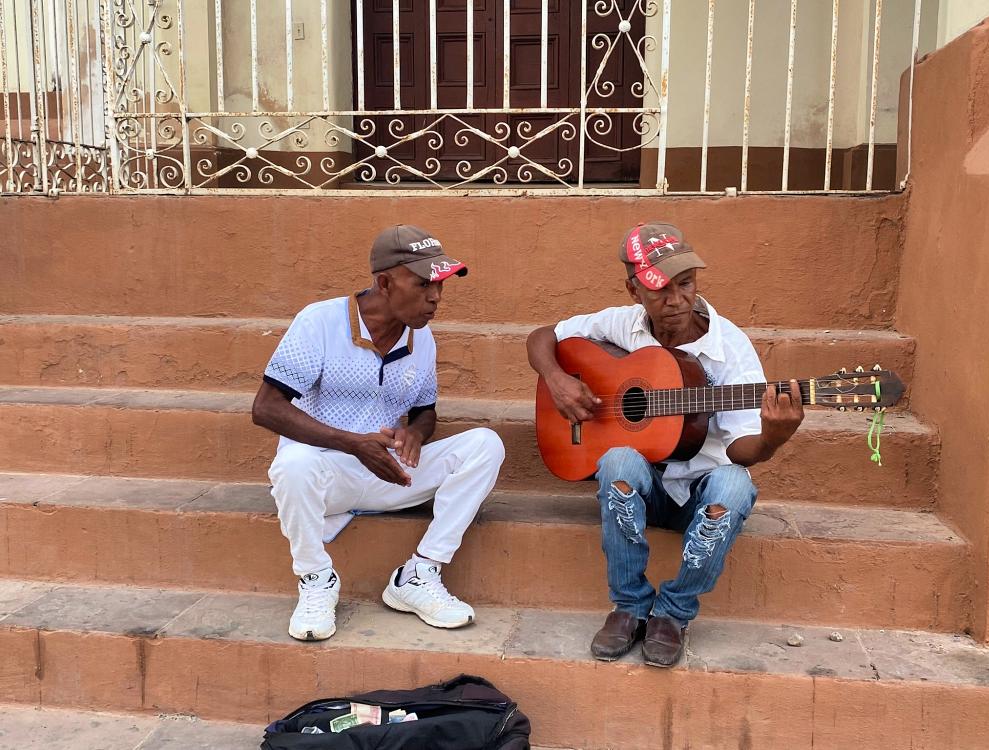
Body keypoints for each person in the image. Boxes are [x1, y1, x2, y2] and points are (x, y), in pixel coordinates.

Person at [526, 222, 803, 668]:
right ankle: (630, 605)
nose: (676, 301)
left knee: (734, 485)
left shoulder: (729, 348)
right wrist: (557, 380)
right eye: (659, 291)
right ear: (634, 291)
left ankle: (673, 613)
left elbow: (739, 450)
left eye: (686, 284)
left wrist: (773, 437)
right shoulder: (622, 323)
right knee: (617, 457)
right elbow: (542, 337)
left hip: (701, 496)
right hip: (646, 489)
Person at [252, 225, 505, 641]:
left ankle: (419, 574)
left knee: (485, 445)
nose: (435, 297)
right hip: (326, 476)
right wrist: (352, 444)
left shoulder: (421, 338)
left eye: (439, 286)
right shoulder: (320, 322)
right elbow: (266, 408)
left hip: (391, 473)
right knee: (292, 464)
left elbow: (425, 411)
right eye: (423, 284)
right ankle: (316, 579)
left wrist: (418, 436)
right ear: (385, 283)